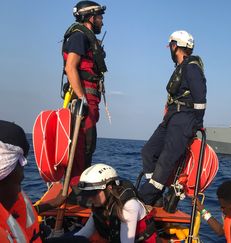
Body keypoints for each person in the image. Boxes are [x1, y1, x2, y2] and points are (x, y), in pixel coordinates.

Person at [139, 30, 207, 205]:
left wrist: (196, 124)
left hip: (184, 119)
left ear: (175, 46)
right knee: (148, 151)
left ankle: (146, 197)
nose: (169, 49)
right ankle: (154, 191)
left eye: (170, 46)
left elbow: (200, 98)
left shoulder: (191, 67)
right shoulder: (181, 68)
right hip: (171, 118)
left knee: (165, 160)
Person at [62, 0, 108, 186]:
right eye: (99, 18)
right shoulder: (79, 37)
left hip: (90, 99)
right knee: (82, 144)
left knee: (88, 145)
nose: (102, 22)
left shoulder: (85, 38)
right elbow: (70, 67)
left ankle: (79, 186)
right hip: (84, 99)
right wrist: (82, 100)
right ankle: (74, 189)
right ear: (90, 17)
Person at [0, 120, 68, 242]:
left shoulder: (12, 196)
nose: (23, 171)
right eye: (18, 183)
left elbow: (24, 213)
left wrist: (52, 204)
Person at [75, 163, 157, 242]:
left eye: (93, 193)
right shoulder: (100, 203)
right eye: (87, 194)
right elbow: (86, 232)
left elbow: (126, 241)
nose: (90, 197)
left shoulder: (128, 206)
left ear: (109, 188)